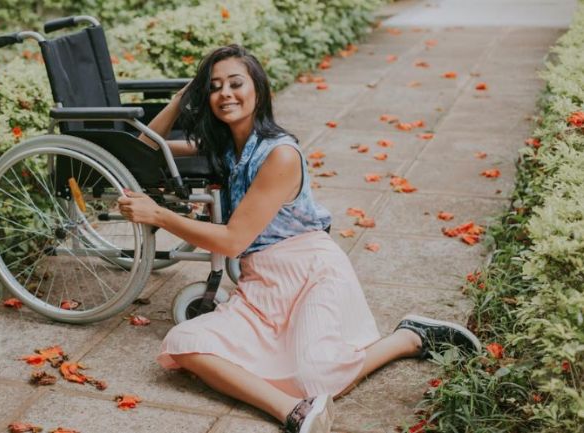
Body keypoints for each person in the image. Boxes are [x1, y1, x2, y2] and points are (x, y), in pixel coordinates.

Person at [117, 45, 480, 433]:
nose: (226, 94)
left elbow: (233, 240)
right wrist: (180, 98)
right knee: (182, 342)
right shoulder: (226, 145)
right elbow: (145, 149)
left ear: (258, 89)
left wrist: (159, 215)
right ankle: (295, 410)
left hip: (310, 272)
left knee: (319, 378)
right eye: (215, 87)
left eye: (236, 84)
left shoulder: (279, 155)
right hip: (261, 285)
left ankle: (409, 338)